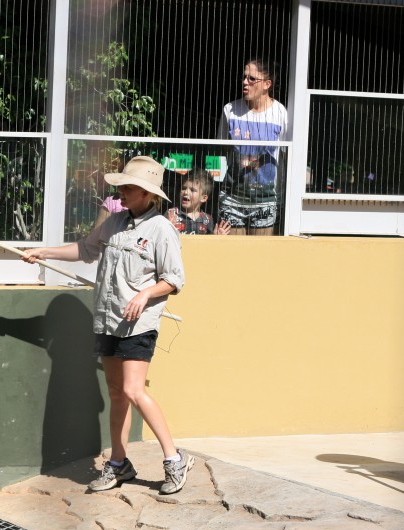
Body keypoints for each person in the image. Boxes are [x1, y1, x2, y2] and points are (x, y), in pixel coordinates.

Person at [20, 156, 192, 495]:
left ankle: (174, 459)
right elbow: (86, 249)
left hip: (138, 324)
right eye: (122, 186)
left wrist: (146, 294)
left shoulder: (161, 230)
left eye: (129, 187)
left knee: (132, 390)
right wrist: (44, 252)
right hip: (108, 319)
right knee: (117, 393)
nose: (122, 192)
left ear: (148, 193)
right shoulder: (114, 223)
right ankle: (119, 464)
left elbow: (174, 279)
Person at [217, 58, 288, 236]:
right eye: (244, 77)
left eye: (251, 79)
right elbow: (222, 149)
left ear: (267, 84)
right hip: (232, 197)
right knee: (233, 256)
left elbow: (285, 155)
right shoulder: (230, 110)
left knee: (260, 257)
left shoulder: (280, 113)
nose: (245, 82)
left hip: (266, 199)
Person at [167, 168, 218, 235]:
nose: (186, 192)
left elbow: (209, 243)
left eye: (192, 190)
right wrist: (168, 227)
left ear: (203, 198)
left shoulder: (207, 220)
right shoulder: (172, 214)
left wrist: (217, 236)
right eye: (183, 188)